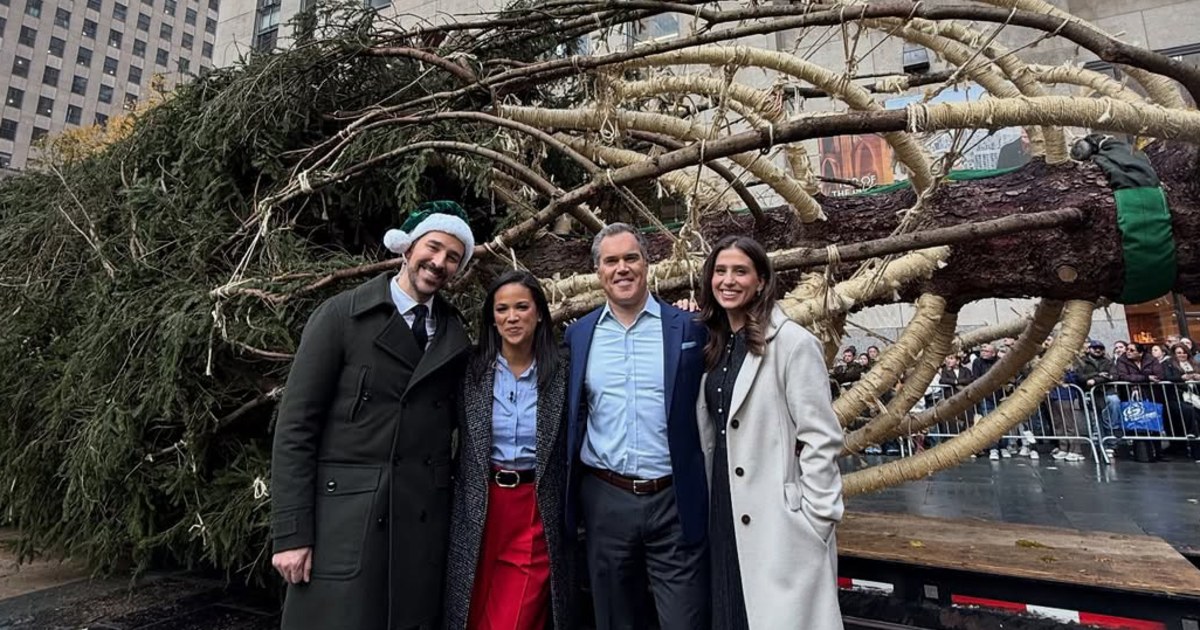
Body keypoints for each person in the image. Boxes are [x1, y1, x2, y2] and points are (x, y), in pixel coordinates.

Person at [270, 201, 475, 630]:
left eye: (452, 257)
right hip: (347, 520)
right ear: (408, 247)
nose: (439, 263)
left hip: (421, 522)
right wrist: (292, 534)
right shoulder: (341, 316)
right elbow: (295, 428)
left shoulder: (455, 336)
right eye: (433, 248)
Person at [563, 223, 710, 630]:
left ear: (647, 264)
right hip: (605, 498)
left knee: (685, 619)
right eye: (611, 261)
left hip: (674, 499)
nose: (622, 268)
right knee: (614, 619)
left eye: (631, 258)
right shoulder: (578, 336)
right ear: (598, 271)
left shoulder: (689, 328)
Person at [695, 235, 844, 630]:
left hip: (778, 519)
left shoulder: (793, 344)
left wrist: (817, 518)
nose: (728, 280)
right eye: (720, 271)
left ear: (761, 281)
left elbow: (822, 437)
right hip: (723, 508)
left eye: (740, 271)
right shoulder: (713, 346)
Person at [443, 271, 574, 630]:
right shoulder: (470, 371)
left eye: (521, 307)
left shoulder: (564, 369)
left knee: (512, 619)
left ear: (539, 314)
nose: (512, 317)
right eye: (502, 309)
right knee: (470, 611)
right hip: (480, 508)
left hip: (534, 510)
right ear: (492, 318)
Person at [1076, 340, 1119, 458]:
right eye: (1095, 348)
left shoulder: (1108, 362)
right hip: (1091, 395)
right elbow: (1080, 377)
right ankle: (1100, 444)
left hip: (1106, 392)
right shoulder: (1082, 362)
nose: (1098, 350)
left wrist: (1096, 380)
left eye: (1100, 348)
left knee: (1110, 415)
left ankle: (1111, 444)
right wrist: (1098, 375)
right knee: (1096, 421)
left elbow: (1113, 376)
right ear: (1089, 349)